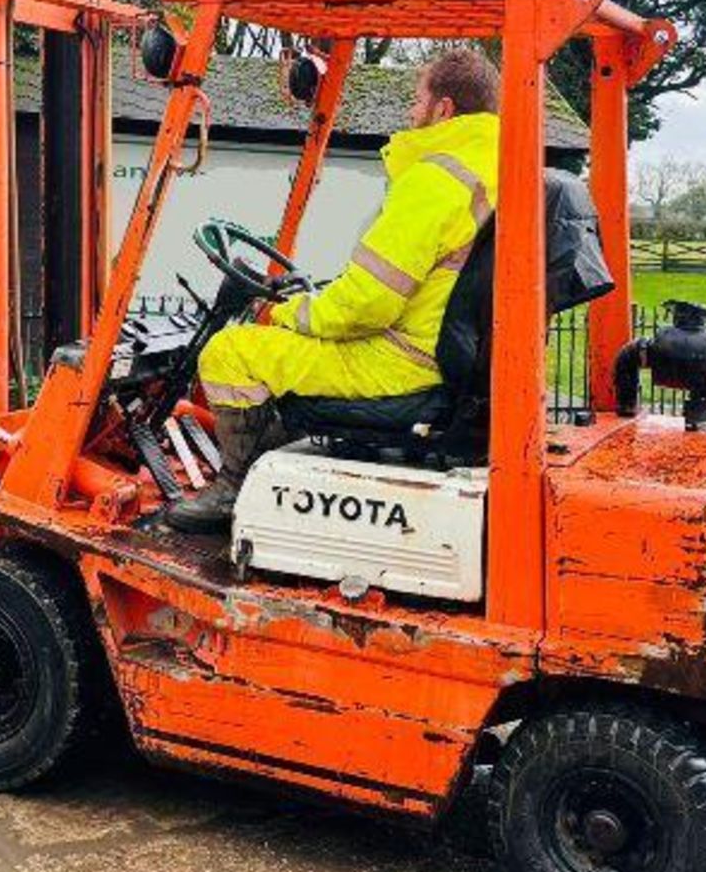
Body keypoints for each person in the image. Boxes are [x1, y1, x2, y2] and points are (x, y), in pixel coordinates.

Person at [166, 47, 501, 533]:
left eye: (416, 99)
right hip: (447, 354)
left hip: (402, 361)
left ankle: (233, 489)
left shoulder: (436, 179)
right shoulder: (496, 170)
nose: (411, 112)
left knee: (230, 352)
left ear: (443, 109)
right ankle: (273, 468)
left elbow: (367, 303)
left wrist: (283, 313)